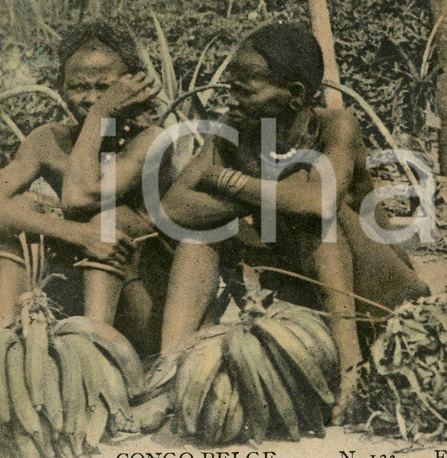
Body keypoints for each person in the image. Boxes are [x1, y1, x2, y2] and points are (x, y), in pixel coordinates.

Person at [157, 22, 428, 419]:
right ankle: (169, 371)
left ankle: (351, 374)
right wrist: (258, 198)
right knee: (201, 235)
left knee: (315, 223)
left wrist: (226, 180)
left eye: (245, 91)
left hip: (379, 299)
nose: (231, 101)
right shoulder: (235, 130)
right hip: (308, 298)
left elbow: (318, 203)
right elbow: (173, 207)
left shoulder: (337, 126)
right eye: (230, 88)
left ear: (295, 95)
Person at [0, 21, 171, 352]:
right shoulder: (48, 140)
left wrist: (100, 115)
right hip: (69, 290)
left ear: (131, 86)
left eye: (104, 87)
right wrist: (76, 234)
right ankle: (4, 345)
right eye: (78, 87)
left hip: (140, 301)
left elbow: (80, 197)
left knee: (108, 220)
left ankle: (94, 354)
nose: (91, 98)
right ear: (61, 87)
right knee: (18, 209)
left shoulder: (151, 140)